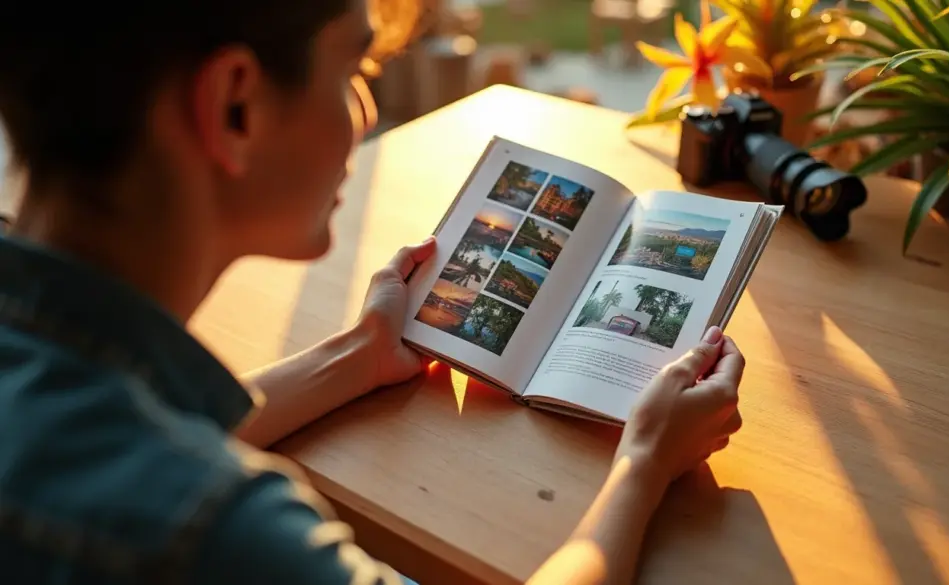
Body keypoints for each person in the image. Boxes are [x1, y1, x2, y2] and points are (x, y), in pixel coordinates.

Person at [0, 2, 745, 584]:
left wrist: (360, 354)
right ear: (235, 107)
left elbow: (123, 426)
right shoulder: (222, 534)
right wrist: (644, 460)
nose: (364, 113)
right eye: (351, 70)